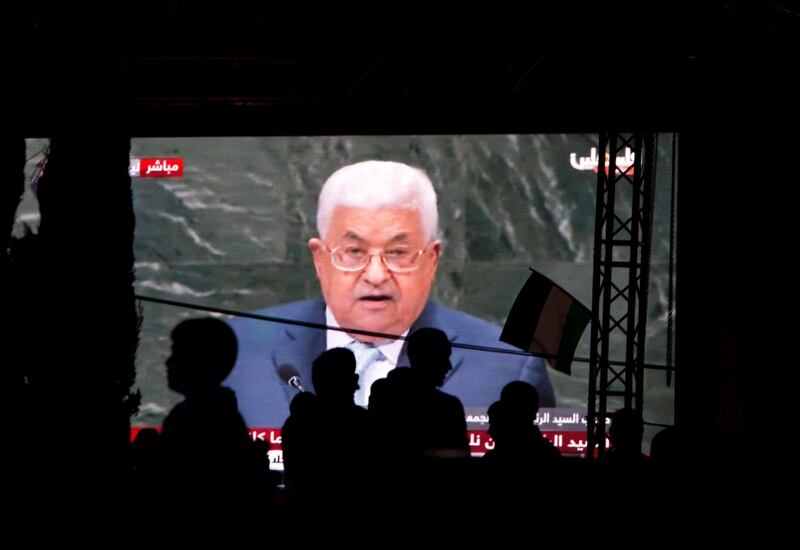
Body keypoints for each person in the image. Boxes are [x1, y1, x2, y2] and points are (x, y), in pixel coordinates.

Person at [224, 160, 555, 428]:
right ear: (320, 258)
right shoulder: (240, 346)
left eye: (398, 253)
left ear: (432, 259)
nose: (376, 275)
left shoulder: (509, 364)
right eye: (353, 251)